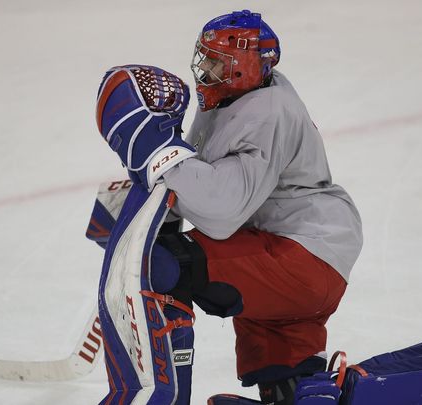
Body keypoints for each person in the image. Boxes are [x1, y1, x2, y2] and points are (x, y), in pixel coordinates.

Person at [92, 10, 362, 405]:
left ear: (247, 69)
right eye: (205, 57)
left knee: (165, 267)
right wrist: (148, 184)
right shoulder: (233, 98)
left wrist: (158, 154)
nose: (206, 70)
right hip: (293, 250)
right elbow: (198, 177)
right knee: (289, 388)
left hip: (303, 256)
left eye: (219, 62)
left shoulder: (267, 112)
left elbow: (222, 210)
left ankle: (158, 397)